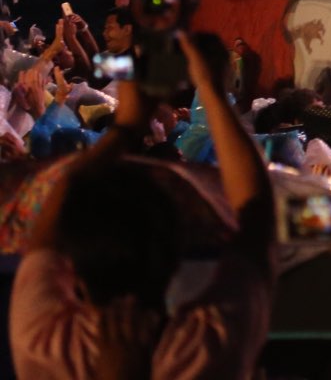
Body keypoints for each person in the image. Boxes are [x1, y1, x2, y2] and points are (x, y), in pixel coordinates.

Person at [11, 32, 274, 379]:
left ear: (74, 270)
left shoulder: (46, 343)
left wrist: (128, 127)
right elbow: (258, 215)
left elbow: (56, 207)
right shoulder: (207, 345)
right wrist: (211, 89)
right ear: (175, 259)